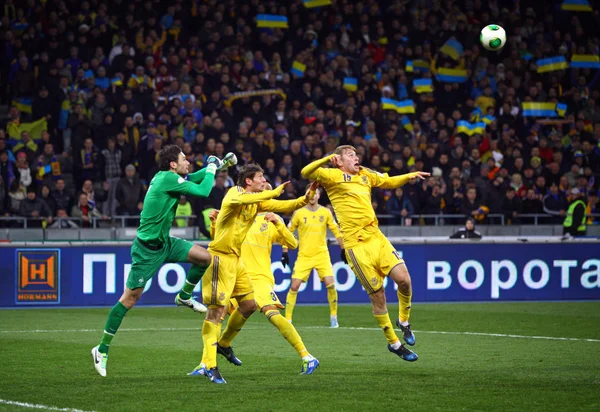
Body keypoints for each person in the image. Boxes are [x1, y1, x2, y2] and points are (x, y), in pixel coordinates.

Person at [90, 146, 236, 378]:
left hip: (164, 243)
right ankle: (102, 349)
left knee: (204, 257)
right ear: (172, 164)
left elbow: (196, 177)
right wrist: (211, 166)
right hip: (146, 251)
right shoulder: (168, 179)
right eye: (184, 159)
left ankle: (184, 296)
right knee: (129, 299)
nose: (188, 162)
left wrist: (217, 167)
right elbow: (203, 191)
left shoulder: (167, 177)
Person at [187, 164, 317, 384]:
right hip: (221, 258)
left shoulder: (259, 207)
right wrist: (273, 191)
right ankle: (208, 364)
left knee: (248, 304)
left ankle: (224, 345)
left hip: (239, 264)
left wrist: (305, 200)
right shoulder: (235, 193)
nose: (264, 180)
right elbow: (226, 227)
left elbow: (282, 206)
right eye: (261, 177)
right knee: (217, 313)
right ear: (249, 181)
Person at [301, 145, 429, 362]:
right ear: (339, 161)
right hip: (355, 245)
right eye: (351, 155)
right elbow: (306, 172)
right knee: (377, 295)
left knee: (404, 279)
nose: (356, 157)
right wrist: (326, 158)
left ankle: (404, 322)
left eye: (356, 154)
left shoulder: (365, 174)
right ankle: (394, 343)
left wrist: (410, 175)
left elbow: (388, 181)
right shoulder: (331, 175)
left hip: (376, 237)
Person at [210, 196, 320, 375]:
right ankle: (212, 358)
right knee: (217, 313)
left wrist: (278, 223)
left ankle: (307, 356)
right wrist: (215, 223)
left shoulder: (270, 219)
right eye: (263, 190)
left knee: (271, 312)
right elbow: (218, 240)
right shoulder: (238, 215)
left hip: (259, 277)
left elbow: (293, 243)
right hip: (236, 275)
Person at [283, 185, 344, 327]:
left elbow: (336, 230)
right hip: (304, 256)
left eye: (315, 193)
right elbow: (287, 232)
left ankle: (334, 317)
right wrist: (284, 251)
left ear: (318, 195)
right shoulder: (298, 213)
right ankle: (288, 319)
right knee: (294, 286)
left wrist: (343, 249)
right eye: (309, 193)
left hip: (321, 255)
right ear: (307, 195)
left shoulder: (326, 212)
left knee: (331, 284)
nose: (312, 195)